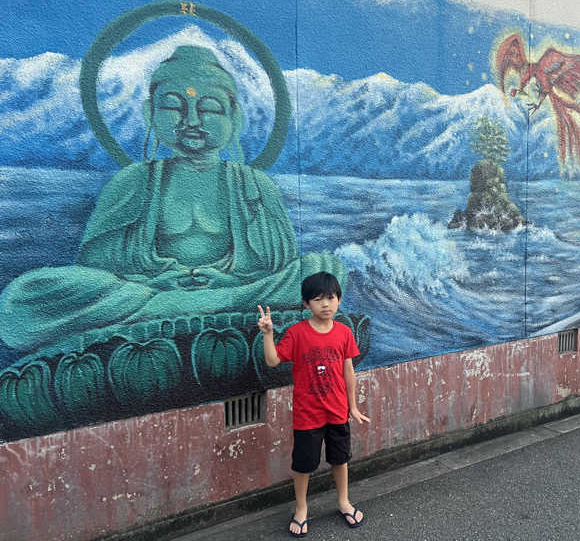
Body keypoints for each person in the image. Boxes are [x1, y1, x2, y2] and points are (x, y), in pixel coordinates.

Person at [0, 45, 344, 353]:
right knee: (24, 297)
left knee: (321, 269)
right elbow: (95, 266)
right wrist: (154, 279)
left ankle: (184, 307)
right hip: (151, 292)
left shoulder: (254, 185)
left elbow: (280, 267)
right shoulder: (135, 180)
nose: (191, 120)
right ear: (151, 113)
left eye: (208, 108)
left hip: (228, 290)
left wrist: (231, 280)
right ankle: (196, 306)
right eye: (173, 106)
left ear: (234, 118)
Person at [258, 271, 370, 538]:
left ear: (339, 300)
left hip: (337, 412)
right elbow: (273, 361)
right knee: (303, 465)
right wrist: (268, 333)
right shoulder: (297, 333)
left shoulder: (344, 333)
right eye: (318, 299)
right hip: (307, 415)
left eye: (331, 298)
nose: (326, 304)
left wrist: (352, 407)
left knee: (340, 460)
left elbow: (349, 372)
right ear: (307, 304)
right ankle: (301, 508)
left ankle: (343, 502)